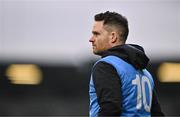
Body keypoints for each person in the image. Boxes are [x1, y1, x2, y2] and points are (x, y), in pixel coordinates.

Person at [89, 11, 164, 117]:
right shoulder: (145, 73)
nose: (91, 39)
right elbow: (157, 114)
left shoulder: (106, 66)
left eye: (96, 34)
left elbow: (111, 109)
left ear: (113, 37)